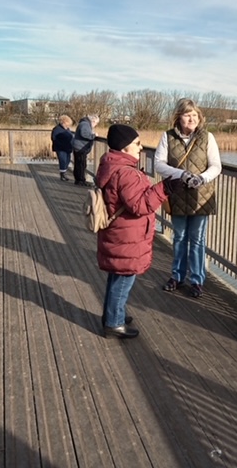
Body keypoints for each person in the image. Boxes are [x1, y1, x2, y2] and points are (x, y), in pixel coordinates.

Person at [96, 124, 184, 339]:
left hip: (120, 233)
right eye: (137, 143)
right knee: (124, 279)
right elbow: (140, 205)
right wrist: (165, 188)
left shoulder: (111, 165)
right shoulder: (126, 173)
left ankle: (112, 314)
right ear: (124, 147)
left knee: (117, 276)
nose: (141, 147)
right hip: (127, 235)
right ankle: (114, 323)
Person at [154, 98, 222, 298]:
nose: (191, 119)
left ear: (199, 117)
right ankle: (177, 276)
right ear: (179, 117)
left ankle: (197, 280)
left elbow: (216, 165)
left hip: (201, 196)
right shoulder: (167, 137)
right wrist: (181, 174)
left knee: (197, 239)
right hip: (177, 194)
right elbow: (158, 164)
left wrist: (202, 178)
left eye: (194, 115)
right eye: (187, 115)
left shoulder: (207, 137)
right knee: (179, 237)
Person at [72, 114, 99, 186]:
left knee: (79, 164)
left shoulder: (83, 123)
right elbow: (84, 134)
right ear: (93, 121)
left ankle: (78, 180)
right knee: (81, 164)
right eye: (96, 123)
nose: (95, 125)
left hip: (78, 147)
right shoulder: (85, 124)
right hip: (80, 147)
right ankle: (81, 180)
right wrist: (93, 135)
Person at [51, 115, 74, 181]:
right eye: (67, 123)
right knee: (63, 161)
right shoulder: (57, 129)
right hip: (60, 148)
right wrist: (60, 144)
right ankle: (63, 174)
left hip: (67, 148)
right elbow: (54, 138)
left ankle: (64, 172)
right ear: (63, 122)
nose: (68, 125)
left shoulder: (67, 129)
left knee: (67, 160)